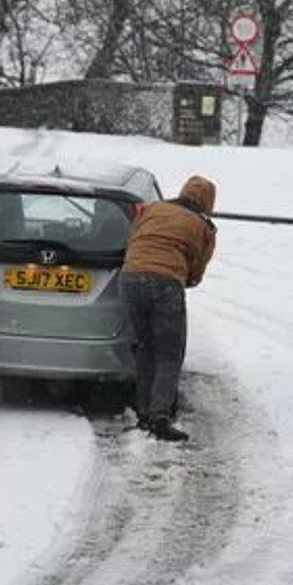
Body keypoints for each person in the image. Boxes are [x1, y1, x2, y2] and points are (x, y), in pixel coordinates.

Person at [120, 176, 217, 442]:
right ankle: (160, 416)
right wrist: (182, 277)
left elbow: (134, 238)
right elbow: (196, 269)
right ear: (208, 203)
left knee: (144, 347)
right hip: (165, 283)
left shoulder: (152, 209)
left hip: (130, 277)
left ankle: (143, 412)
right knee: (169, 352)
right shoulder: (202, 225)